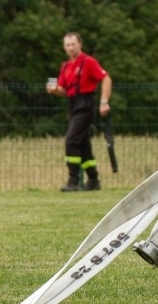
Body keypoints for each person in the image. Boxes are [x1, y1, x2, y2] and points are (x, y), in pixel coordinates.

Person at [46, 32, 112, 192]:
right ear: (64, 47)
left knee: (71, 141)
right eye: (67, 45)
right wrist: (55, 90)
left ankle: (73, 180)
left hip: (85, 104)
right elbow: (63, 89)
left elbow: (106, 78)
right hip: (72, 104)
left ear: (80, 44)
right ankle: (93, 179)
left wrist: (104, 102)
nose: (70, 48)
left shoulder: (88, 62)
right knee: (83, 145)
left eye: (73, 44)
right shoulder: (66, 66)